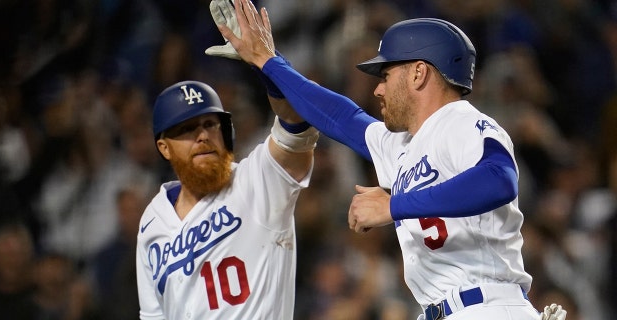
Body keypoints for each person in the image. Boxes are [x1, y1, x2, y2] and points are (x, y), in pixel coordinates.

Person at [211, 0, 568, 319]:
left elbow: (498, 180)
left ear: (418, 72)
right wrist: (269, 63)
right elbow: (338, 115)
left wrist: (392, 206)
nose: (377, 88)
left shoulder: (460, 121)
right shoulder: (400, 144)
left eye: (386, 75)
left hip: (486, 306)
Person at [135, 74, 320, 318]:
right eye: (187, 129)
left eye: (210, 124)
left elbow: (296, 130)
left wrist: (270, 65)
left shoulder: (256, 182)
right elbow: (153, 315)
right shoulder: (152, 221)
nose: (203, 136)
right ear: (164, 147)